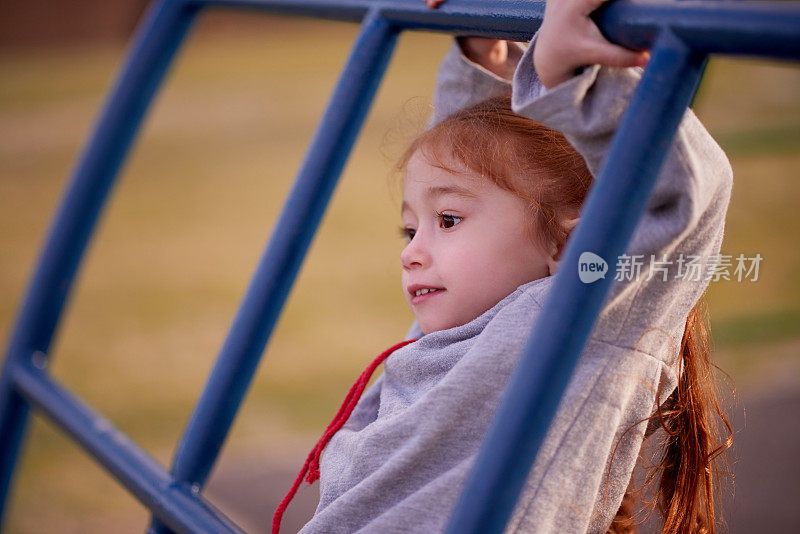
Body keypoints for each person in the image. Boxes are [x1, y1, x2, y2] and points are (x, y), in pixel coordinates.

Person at [273, 0, 733, 532]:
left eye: (446, 220)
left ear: (569, 244)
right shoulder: (457, 328)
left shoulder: (569, 324)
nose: (410, 251)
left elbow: (685, 205)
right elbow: (478, 154)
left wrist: (574, 81)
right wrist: (481, 46)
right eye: (410, 228)